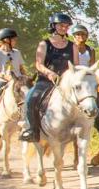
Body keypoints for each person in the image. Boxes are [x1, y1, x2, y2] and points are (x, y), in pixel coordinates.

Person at [20, 12, 78, 141]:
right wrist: (49, 73)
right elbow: (38, 64)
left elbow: (76, 66)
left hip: (65, 83)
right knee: (30, 99)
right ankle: (31, 130)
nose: (64, 28)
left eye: (66, 26)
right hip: (46, 81)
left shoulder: (72, 46)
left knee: (86, 97)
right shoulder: (44, 44)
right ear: (54, 26)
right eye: (61, 25)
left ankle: (90, 125)